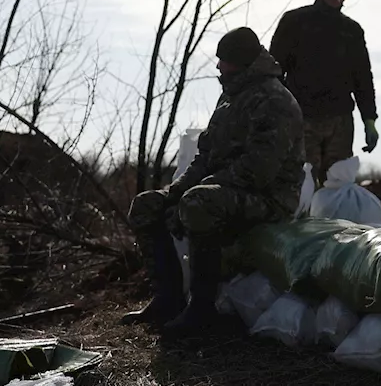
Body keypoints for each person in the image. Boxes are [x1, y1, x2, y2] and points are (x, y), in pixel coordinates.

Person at [123, 27, 306, 335]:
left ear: (242, 62)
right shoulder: (230, 96)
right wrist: (175, 192)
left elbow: (258, 170)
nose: (219, 67)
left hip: (271, 198)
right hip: (225, 188)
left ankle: (201, 309)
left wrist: (197, 191)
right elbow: (204, 155)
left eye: (225, 60)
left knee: (199, 202)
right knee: (147, 204)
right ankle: (167, 298)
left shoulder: (275, 101)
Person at [269, 0, 378, 186]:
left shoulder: (352, 31)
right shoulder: (295, 22)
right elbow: (274, 71)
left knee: (338, 186)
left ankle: (336, 223)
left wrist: (369, 119)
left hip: (339, 121)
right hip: (301, 117)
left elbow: (363, 78)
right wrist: (277, 112)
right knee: (301, 184)